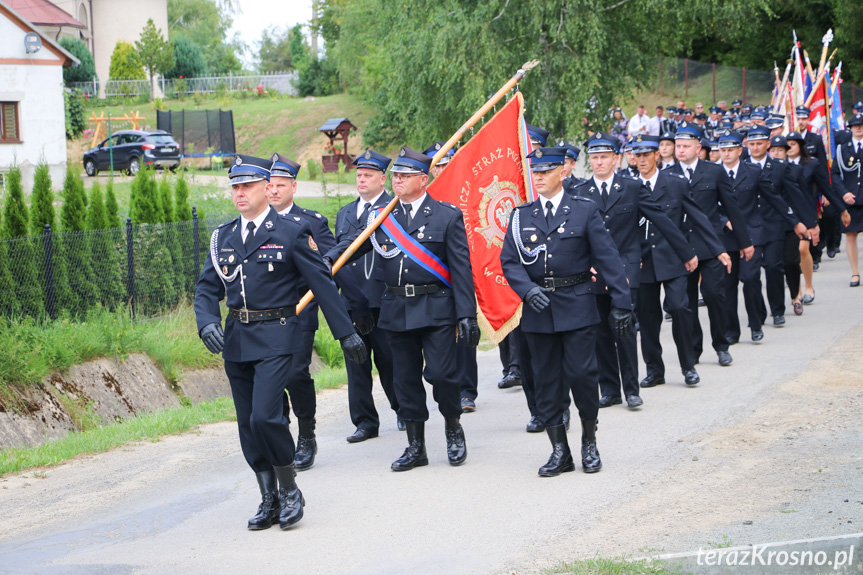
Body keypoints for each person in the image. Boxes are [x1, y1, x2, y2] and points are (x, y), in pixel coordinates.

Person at [194, 154, 367, 530]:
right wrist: (206, 321)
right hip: (237, 339)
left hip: (278, 336)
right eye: (235, 187)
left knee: (266, 416)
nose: (240, 193)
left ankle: (290, 489)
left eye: (248, 186)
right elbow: (207, 288)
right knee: (247, 425)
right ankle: (268, 496)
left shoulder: (290, 231)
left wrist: (346, 332)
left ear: (264, 187)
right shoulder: (222, 236)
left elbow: (322, 283)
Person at [325, 147, 480, 471]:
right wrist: (328, 259)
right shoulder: (383, 217)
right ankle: (415, 445)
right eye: (395, 175)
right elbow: (354, 244)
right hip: (395, 307)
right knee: (404, 380)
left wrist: (466, 314)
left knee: (441, 374)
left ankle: (453, 426)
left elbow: (461, 268)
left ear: (423, 180)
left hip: (436, 307)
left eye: (405, 176)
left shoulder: (446, 215)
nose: (398, 181)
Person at [500, 146, 632, 476]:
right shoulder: (521, 216)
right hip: (538, 311)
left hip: (577, 304)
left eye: (546, 171)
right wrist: (528, 290)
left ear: (561, 171)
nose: (540, 177)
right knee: (546, 382)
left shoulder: (583, 211)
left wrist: (622, 304)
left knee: (583, 376)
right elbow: (509, 261)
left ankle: (589, 441)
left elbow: (609, 259)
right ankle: (559, 450)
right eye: (536, 172)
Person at [265, 153, 372, 468]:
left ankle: (306, 435)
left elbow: (333, 270)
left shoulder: (310, 222)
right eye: (269, 185)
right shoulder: (255, 224)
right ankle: (279, 433)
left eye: (280, 185)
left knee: (297, 372)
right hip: (266, 313)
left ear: (293, 187)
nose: (273, 191)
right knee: (271, 377)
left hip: (300, 310)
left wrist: (356, 305)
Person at [574, 132, 697, 406]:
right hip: (594, 271)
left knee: (624, 328)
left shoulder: (630, 188)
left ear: (616, 159)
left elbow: (661, 220)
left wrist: (686, 253)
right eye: (594, 158)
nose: (599, 162)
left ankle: (631, 389)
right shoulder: (580, 193)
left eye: (604, 157)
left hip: (625, 269)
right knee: (600, 332)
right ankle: (610, 390)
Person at [631, 135, 722, 388]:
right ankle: (654, 370)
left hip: (673, 258)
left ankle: (688, 365)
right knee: (648, 318)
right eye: (637, 156)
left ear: (656, 156)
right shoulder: (627, 186)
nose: (641, 161)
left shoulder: (675, 183)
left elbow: (698, 217)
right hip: (643, 262)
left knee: (680, 308)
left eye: (646, 155)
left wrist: (718, 250)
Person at [331, 149, 402, 443]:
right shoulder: (346, 213)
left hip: (383, 301)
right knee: (356, 366)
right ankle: (364, 421)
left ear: (382, 178)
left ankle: (403, 409)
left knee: (390, 362)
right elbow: (339, 258)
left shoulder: (393, 208)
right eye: (359, 175)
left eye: (368, 175)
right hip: (352, 301)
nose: (362, 180)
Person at [670, 122, 749, 368]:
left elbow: (732, 208)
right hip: (682, 248)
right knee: (686, 302)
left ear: (698, 147)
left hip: (711, 244)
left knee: (715, 295)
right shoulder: (667, 174)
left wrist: (744, 242)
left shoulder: (714, 172)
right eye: (677, 146)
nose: (680, 150)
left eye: (685, 146)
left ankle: (721, 345)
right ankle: (694, 349)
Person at [719, 131, 798, 342]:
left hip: (752, 233)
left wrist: (796, 222)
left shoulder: (752, 171)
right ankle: (731, 331)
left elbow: (774, 197)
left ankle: (755, 323)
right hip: (726, 236)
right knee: (727, 284)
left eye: (730, 150)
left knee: (750, 277)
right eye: (722, 150)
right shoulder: (713, 173)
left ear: (739, 150)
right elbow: (704, 204)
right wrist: (721, 220)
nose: (726, 154)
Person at [423, 142, 479, 413]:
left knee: (465, 333)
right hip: (434, 277)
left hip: (465, 270)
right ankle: (445, 384)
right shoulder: (425, 195)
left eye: (447, 164)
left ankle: (467, 390)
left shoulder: (466, 192)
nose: (442, 170)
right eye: (437, 166)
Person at [745, 127, 816, 326]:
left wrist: (808, 223)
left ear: (768, 145)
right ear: (747, 145)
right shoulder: (742, 167)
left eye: (760, 143)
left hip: (774, 224)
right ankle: (758, 311)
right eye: (752, 144)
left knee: (773, 266)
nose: (756, 147)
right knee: (749, 274)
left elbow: (795, 195)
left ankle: (777, 310)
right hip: (749, 226)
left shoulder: (778, 167)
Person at [786, 132, 849, 305]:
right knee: (790, 257)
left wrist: (842, 210)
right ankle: (795, 291)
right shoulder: (780, 166)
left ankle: (808, 286)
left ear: (800, 146)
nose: (790, 148)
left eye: (793, 144)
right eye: (787, 144)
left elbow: (826, 188)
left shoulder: (811, 164)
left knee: (802, 249)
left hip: (807, 213)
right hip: (788, 215)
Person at [831, 113, 863, 286]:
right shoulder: (843, 148)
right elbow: (835, 173)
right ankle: (855, 273)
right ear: (850, 129)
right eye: (855, 125)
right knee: (850, 236)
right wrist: (843, 193)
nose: (858, 128)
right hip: (851, 198)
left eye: (861, 125)